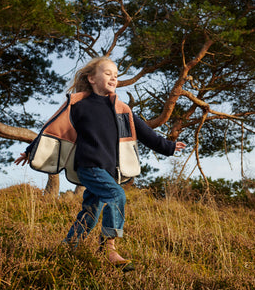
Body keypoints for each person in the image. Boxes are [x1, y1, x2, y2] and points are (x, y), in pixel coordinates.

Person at [15, 57, 185, 269]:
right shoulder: (78, 105)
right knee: (116, 195)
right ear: (91, 78)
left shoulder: (122, 109)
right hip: (88, 167)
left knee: (91, 211)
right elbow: (51, 129)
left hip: (109, 170)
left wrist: (168, 147)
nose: (113, 78)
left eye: (116, 75)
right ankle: (108, 247)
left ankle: (68, 247)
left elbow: (144, 133)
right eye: (107, 74)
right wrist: (30, 150)